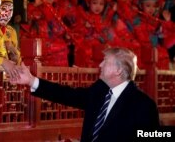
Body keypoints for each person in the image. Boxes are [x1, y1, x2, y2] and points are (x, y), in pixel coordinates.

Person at [10, 47, 160, 142]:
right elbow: (67, 94)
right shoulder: (100, 90)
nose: (100, 65)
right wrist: (31, 81)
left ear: (118, 70)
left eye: (105, 62)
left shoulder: (143, 105)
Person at [0, 0, 21, 65]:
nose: (7, 13)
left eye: (10, 10)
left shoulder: (11, 31)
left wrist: (14, 53)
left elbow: (17, 59)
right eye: (3, 9)